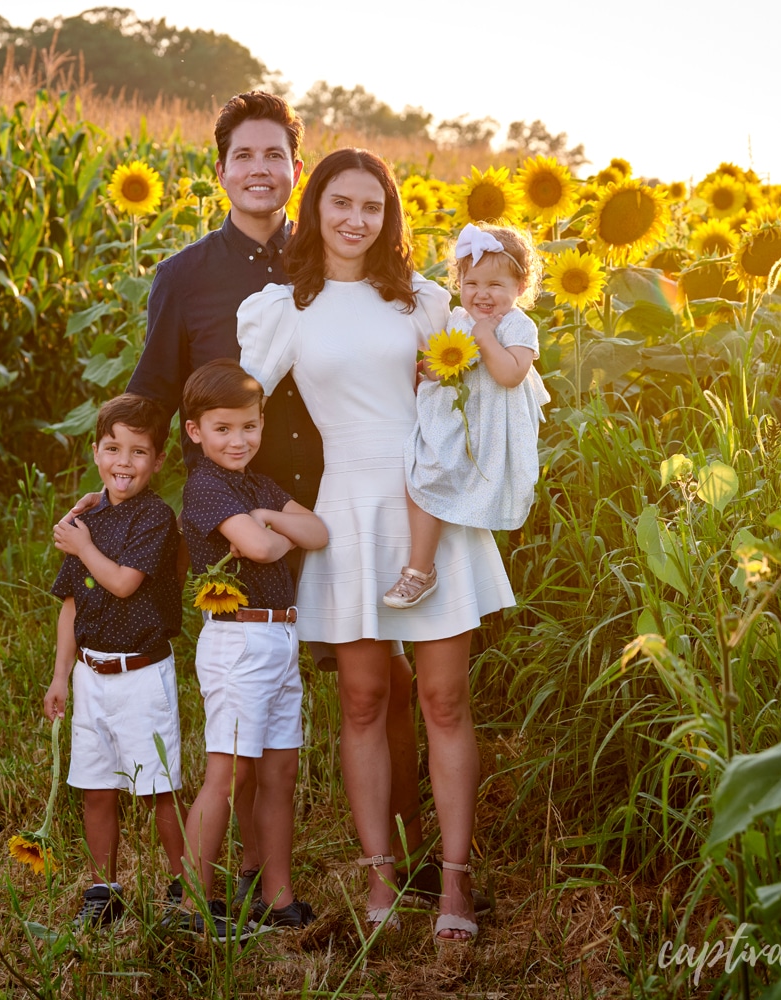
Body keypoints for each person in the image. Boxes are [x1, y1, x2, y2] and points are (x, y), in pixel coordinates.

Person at [114, 90, 429, 902]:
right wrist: (118, 494)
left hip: (338, 502)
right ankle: (252, 872)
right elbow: (152, 395)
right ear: (219, 171)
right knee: (249, 693)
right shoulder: (183, 277)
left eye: (275, 155)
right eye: (243, 155)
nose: (260, 169)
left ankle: (408, 848)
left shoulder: (328, 257)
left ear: (297, 169)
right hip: (240, 522)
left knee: (383, 681)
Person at [238, 148, 516, 941]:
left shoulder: (424, 300)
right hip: (349, 504)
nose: (356, 220)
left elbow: (492, 375)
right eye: (341, 204)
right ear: (315, 206)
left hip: (428, 503)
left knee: (443, 700)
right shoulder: (287, 306)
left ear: (389, 215)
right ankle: (379, 886)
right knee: (361, 700)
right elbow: (231, 406)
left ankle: (456, 888)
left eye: (372, 206)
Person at [176, 359, 328, 938]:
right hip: (238, 639)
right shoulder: (206, 486)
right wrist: (268, 530)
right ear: (195, 431)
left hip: (279, 636)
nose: (238, 440)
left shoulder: (256, 486)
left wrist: (266, 516)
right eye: (222, 429)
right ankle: (193, 904)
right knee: (230, 771)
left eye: (249, 426)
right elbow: (263, 550)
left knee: (280, 771)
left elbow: (318, 532)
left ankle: (276, 896)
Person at [43, 394, 187, 929]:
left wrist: (82, 547)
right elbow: (71, 605)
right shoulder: (87, 517)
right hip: (91, 675)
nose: (124, 462)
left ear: (157, 461)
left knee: (157, 789)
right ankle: (104, 889)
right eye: (113, 448)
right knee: (96, 788)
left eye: (139, 452)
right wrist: (61, 676)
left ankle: (184, 885)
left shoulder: (155, 517)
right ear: (96, 452)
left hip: (142, 674)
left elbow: (124, 583)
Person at [385, 223, 550, 609]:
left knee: (455, 483)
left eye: (496, 285)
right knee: (420, 476)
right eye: (472, 283)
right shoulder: (457, 318)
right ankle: (420, 570)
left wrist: (486, 337)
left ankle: (438, 571)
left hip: (492, 426)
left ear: (521, 287)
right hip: (454, 420)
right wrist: (426, 369)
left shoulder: (518, 325)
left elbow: (510, 375)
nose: (482, 294)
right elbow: (447, 363)